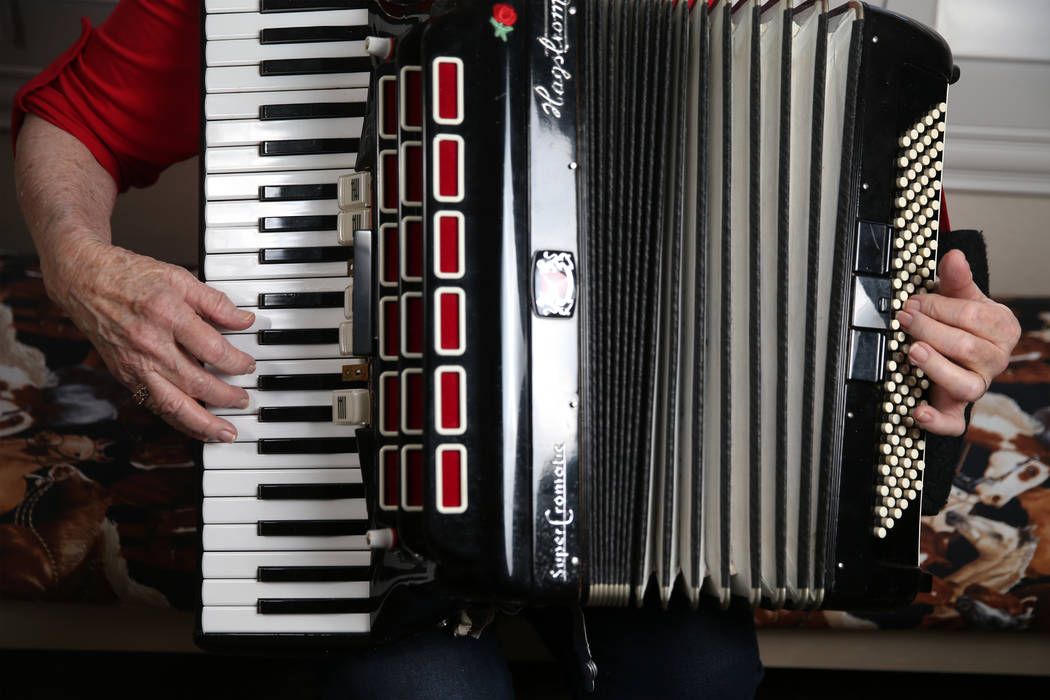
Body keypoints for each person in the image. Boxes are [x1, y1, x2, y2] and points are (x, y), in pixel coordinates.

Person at [10, 1, 1021, 698]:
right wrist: (79, 263)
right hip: (356, 500)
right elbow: (72, 120)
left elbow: (895, 277)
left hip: (645, 497)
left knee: (695, 678)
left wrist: (961, 343)